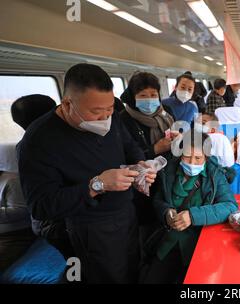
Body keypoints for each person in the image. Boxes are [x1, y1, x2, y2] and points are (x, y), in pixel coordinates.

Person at [17, 63, 157, 284]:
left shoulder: (111, 115)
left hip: (127, 213)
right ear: (67, 104)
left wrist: (141, 164)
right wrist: (97, 185)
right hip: (90, 227)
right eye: (95, 112)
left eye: (109, 109)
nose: (105, 119)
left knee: (134, 270)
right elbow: (41, 206)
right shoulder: (38, 141)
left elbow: (130, 145)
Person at [140, 131, 238, 284]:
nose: (192, 162)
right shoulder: (168, 171)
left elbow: (230, 206)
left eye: (198, 158)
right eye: (186, 156)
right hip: (168, 242)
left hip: (199, 245)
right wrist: (166, 212)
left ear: (206, 157)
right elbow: (159, 200)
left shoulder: (215, 175)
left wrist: (193, 216)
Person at [10, 94, 75, 261]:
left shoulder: (28, 144)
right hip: (57, 224)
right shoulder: (37, 148)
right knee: (79, 262)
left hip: (47, 222)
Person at [120, 72, 178, 242]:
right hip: (143, 182)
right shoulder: (124, 119)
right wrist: (155, 149)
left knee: (169, 212)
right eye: (143, 95)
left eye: (153, 95)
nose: (150, 100)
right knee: (148, 225)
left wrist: (177, 140)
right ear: (133, 97)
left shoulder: (166, 113)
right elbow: (126, 157)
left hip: (168, 173)